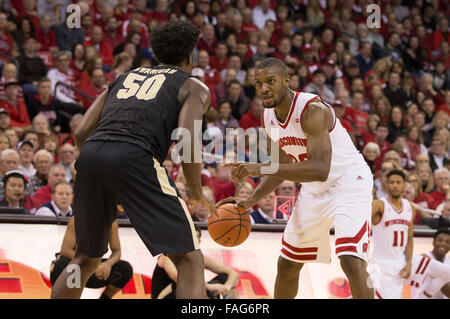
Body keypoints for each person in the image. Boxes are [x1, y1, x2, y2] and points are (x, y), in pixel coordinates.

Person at [50, 20, 216, 299]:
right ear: (191, 56)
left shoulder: (123, 77)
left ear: (157, 53)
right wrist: (197, 193)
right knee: (190, 260)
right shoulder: (194, 87)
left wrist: (106, 175)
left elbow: (80, 134)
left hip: (91, 154)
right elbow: (187, 142)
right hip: (136, 156)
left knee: (85, 259)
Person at [217, 57, 374, 299]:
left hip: (349, 182)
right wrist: (249, 202)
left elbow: (320, 168)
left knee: (351, 260)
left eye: (271, 81)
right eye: (259, 84)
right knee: (288, 264)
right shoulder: (268, 118)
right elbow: (281, 168)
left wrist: (261, 168)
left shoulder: (313, 110)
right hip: (315, 189)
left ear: (287, 81)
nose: (264, 88)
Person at [50, 217, 133, 299]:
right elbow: (66, 250)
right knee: (60, 265)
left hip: (96, 269)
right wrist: (91, 263)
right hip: (76, 265)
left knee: (125, 268)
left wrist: (107, 264)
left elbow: (117, 251)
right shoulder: (77, 220)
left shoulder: (112, 222)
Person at [151, 225, 240, 299]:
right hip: (163, 296)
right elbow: (177, 278)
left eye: (195, 237)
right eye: (190, 236)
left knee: (226, 280)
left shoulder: (201, 258)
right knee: (187, 284)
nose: (192, 240)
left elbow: (234, 274)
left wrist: (226, 287)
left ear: (199, 241)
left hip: (188, 292)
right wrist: (209, 287)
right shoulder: (168, 256)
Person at [369, 170, 415, 299]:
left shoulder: (410, 207)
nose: (394, 185)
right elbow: (361, 223)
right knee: (370, 295)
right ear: (387, 185)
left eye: (398, 182)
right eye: (391, 182)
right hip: (379, 263)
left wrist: (409, 262)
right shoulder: (379, 205)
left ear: (404, 185)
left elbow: (409, 239)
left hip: (399, 263)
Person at [408, 228, 450, 299]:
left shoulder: (448, 260)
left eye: (447, 242)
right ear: (433, 242)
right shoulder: (422, 259)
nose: (443, 243)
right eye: (440, 240)